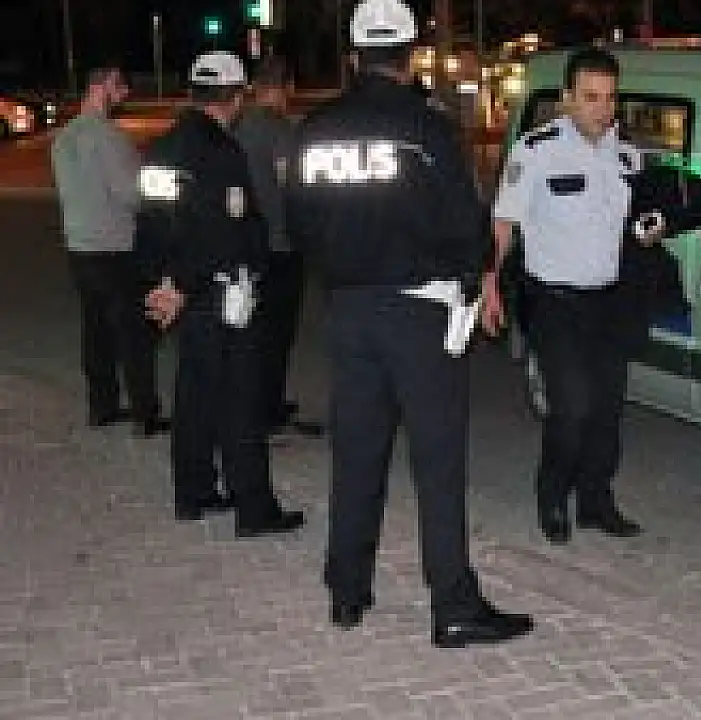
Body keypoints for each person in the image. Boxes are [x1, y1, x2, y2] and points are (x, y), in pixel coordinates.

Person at [285, 0, 533, 647]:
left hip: (348, 312)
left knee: (356, 455)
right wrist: (474, 272)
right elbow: (467, 226)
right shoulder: (427, 129)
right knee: (437, 463)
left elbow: (298, 225)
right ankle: (453, 606)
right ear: (410, 53)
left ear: (354, 55)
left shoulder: (316, 130)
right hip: (421, 315)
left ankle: (346, 591)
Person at [483, 47, 665, 544]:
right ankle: (552, 496)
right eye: (590, 97)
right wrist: (489, 283)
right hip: (554, 302)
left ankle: (595, 501)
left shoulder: (625, 155)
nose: (602, 109)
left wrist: (649, 232)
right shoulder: (537, 150)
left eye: (610, 98)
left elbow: (634, 223)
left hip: (608, 301)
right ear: (567, 99)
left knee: (607, 410)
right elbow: (504, 222)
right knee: (571, 409)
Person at [135, 51, 305, 537]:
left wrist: (159, 284)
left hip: (182, 291)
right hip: (217, 289)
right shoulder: (221, 152)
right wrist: (183, 283)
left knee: (194, 393)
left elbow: (151, 223)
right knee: (241, 401)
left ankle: (193, 491)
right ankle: (254, 508)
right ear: (234, 97)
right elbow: (219, 231)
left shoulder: (162, 147)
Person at [50, 66, 167, 436]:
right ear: (101, 87)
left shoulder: (63, 138)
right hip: (115, 247)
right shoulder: (110, 137)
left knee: (95, 330)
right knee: (134, 333)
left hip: (79, 246)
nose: (124, 94)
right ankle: (145, 414)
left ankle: (101, 406)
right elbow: (131, 194)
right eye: (120, 87)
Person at [231, 59, 316, 435]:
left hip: (246, 243)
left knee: (252, 328)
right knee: (278, 333)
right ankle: (268, 408)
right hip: (280, 245)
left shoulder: (238, 127)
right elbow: (290, 185)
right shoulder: (281, 130)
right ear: (286, 88)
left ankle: (250, 403)